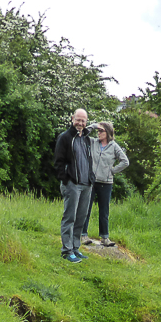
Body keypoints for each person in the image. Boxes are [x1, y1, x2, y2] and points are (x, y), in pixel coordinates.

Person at [53, 108, 94, 263]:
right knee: (69, 217)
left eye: (83, 121)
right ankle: (66, 250)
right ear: (72, 119)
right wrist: (65, 179)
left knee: (80, 218)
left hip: (86, 184)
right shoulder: (64, 138)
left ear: (86, 122)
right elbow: (58, 162)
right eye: (78, 120)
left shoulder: (86, 139)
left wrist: (91, 178)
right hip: (72, 184)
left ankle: (76, 248)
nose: (80, 123)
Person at [81, 121, 129, 247]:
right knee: (86, 208)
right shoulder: (93, 142)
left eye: (101, 130)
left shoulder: (114, 146)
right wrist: (94, 125)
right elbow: (83, 134)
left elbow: (125, 161)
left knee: (104, 211)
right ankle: (83, 235)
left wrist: (112, 171)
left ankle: (104, 237)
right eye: (98, 130)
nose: (99, 133)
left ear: (108, 132)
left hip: (106, 183)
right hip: (91, 181)